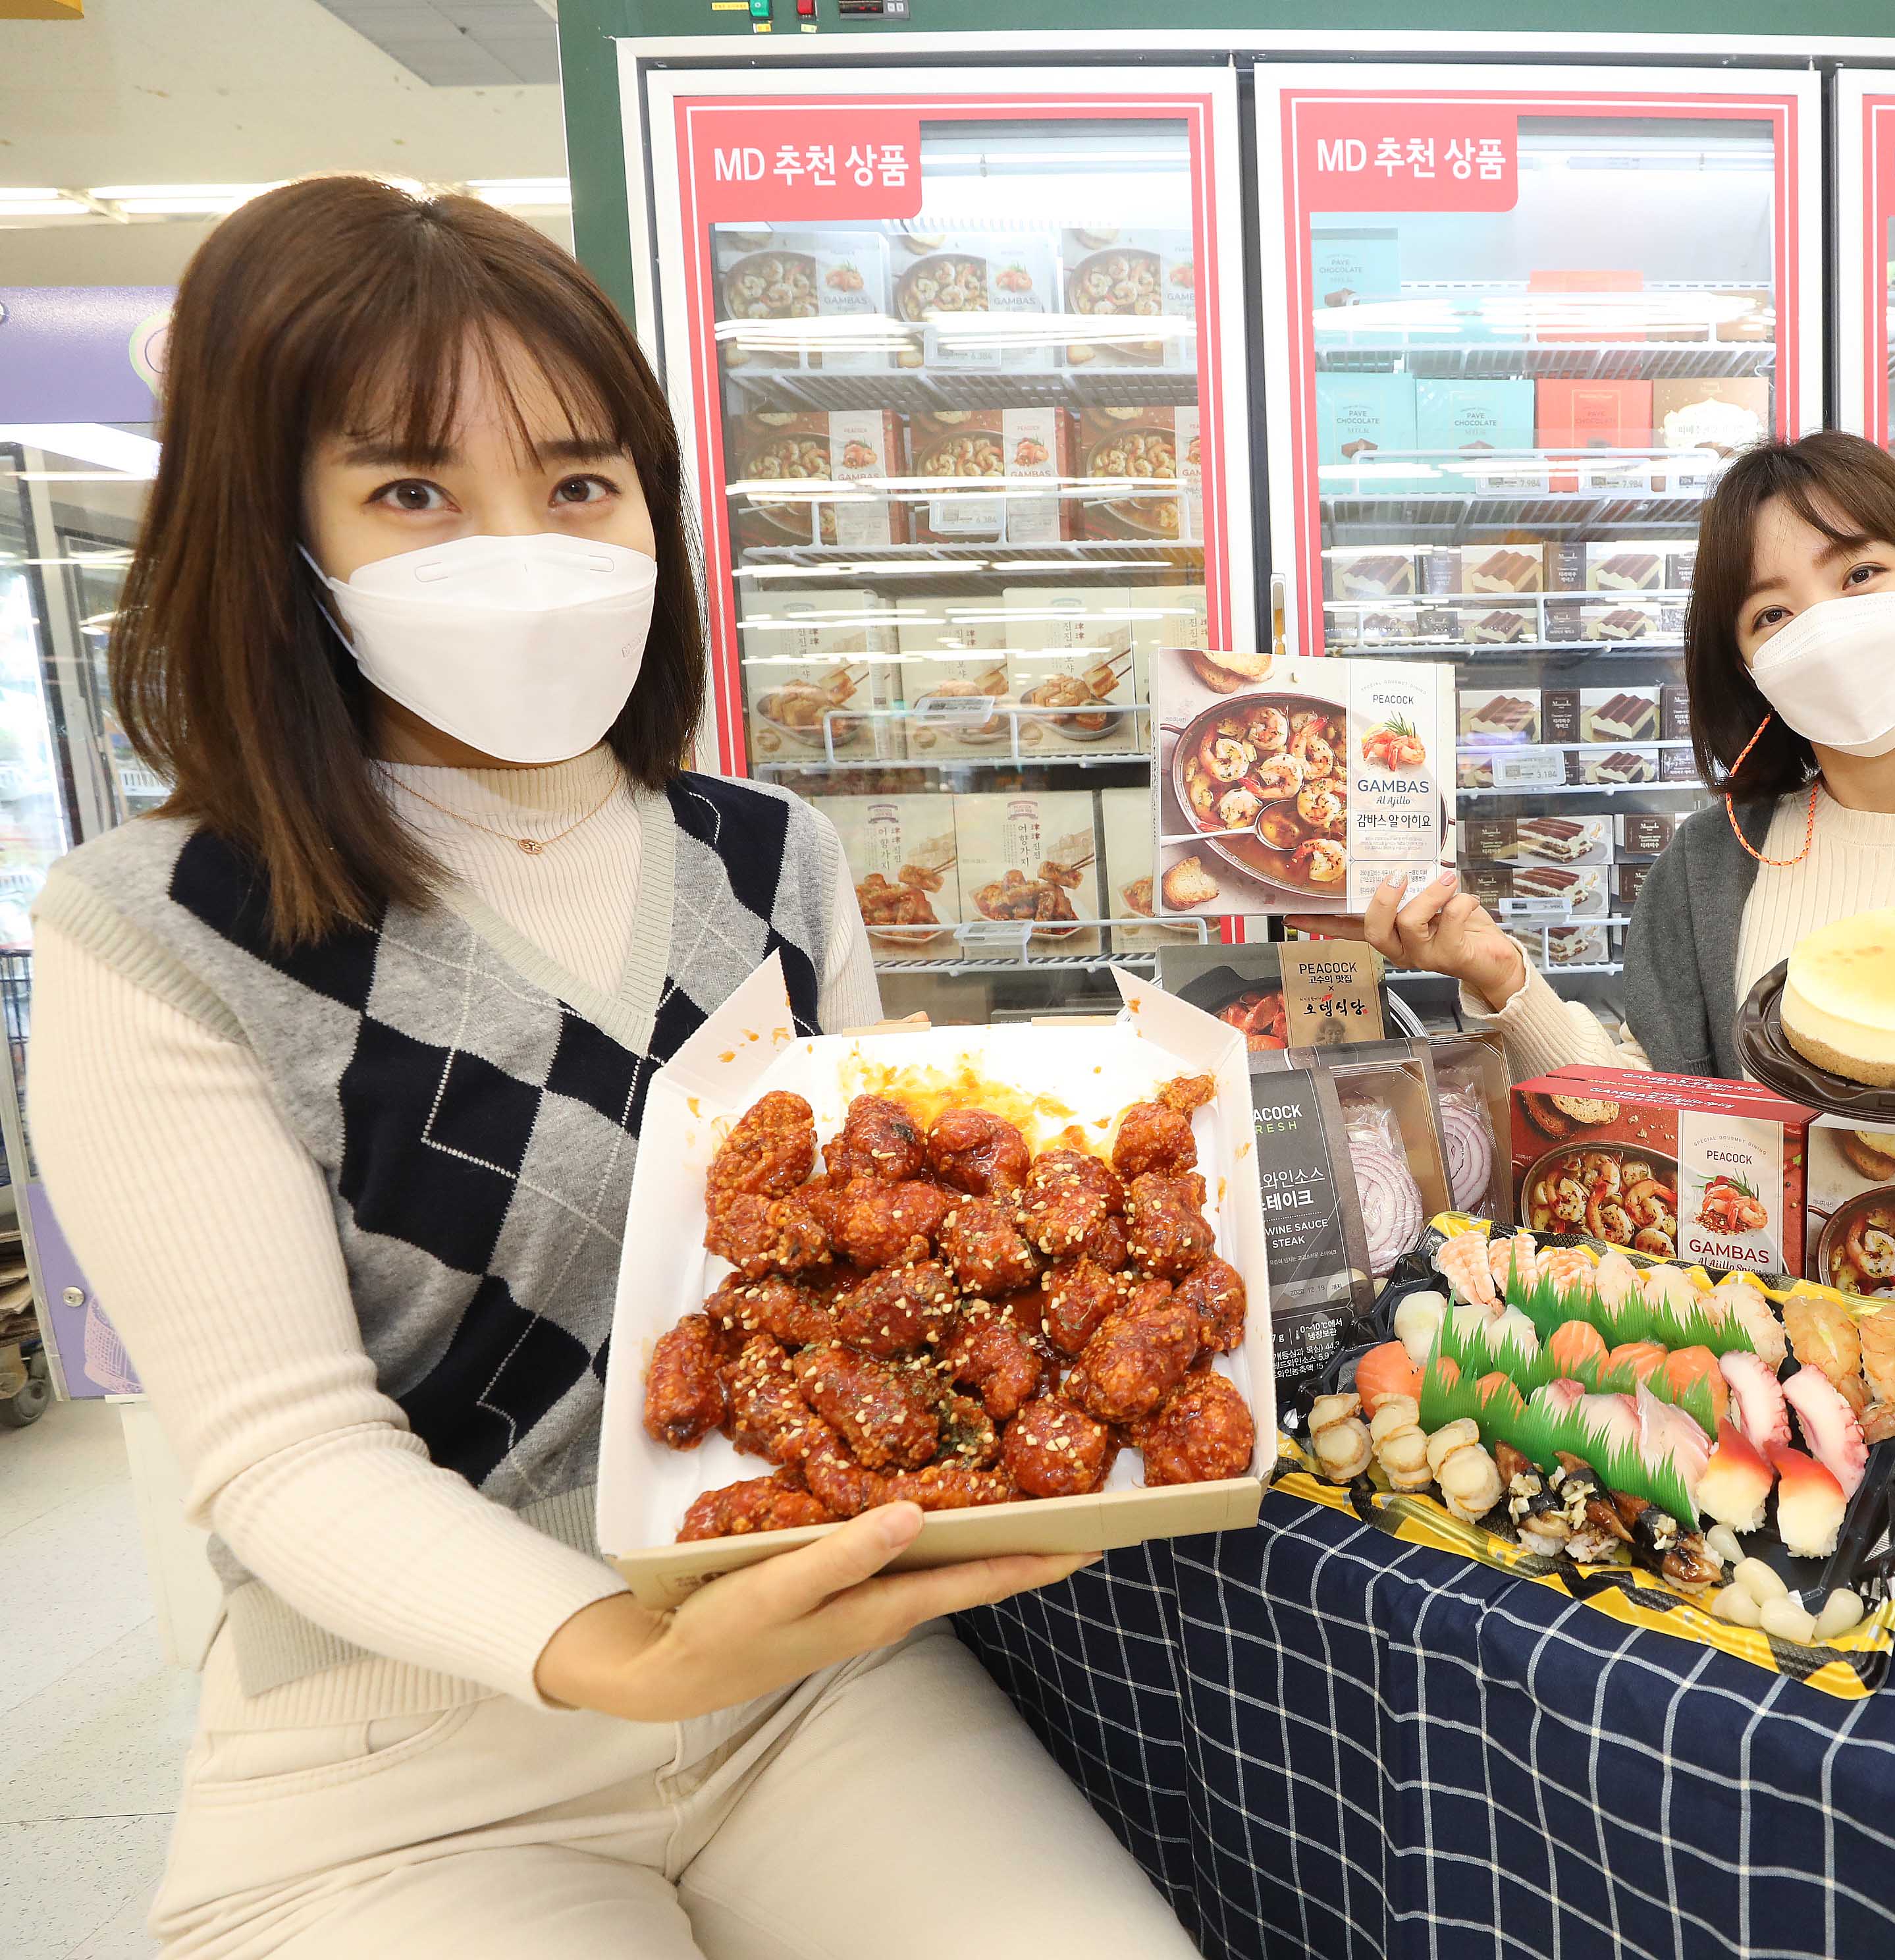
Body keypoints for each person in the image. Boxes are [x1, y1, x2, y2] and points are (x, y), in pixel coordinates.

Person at [28, 178, 1198, 1959]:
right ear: (271, 536)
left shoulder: (773, 856)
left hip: (809, 1674)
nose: (523, 546)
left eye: (579, 482)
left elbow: (846, 1286)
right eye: (412, 491)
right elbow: (286, 1454)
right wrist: (617, 1653)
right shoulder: (162, 927)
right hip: (403, 1744)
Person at [1336, 431, 1895, 1121]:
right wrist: (1503, 979)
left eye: (1860, 574)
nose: (1825, 630)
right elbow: (1654, 1123)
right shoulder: (1713, 863)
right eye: (1772, 614)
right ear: (1750, 667)